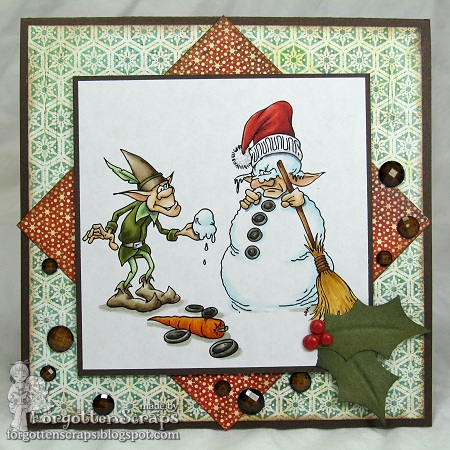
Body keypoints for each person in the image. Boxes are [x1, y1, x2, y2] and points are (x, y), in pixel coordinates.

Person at [221, 101, 333, 311]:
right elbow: (237, 241)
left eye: (277, 176)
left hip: (295, 292)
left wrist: (303, 206)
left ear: (294, 176)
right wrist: (245, 211)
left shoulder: (297, 203)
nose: (270, 183)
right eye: (264, 177)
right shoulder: (254, 200)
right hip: (244, 293)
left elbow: (316, 236)